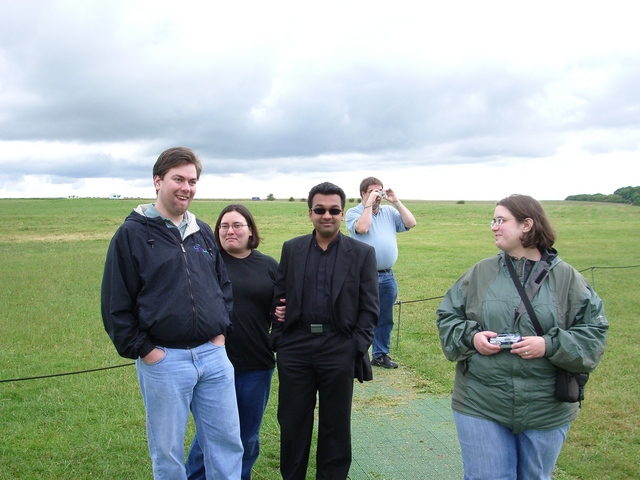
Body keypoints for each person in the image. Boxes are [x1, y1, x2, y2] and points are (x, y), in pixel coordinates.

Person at [436, 194, 609, 480]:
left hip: (546, 407)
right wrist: (472, 338)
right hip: (481, 401)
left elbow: (594, 335)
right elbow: (447, 318)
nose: (493, 226)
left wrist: (549, 345)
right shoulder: (480, 273)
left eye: (501, 220)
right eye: (493, 220)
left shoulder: (568, 279)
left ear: (527, 225)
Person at [101, 147, 243, 479]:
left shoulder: (202, 230)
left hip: (213, 357)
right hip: (164, 361)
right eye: (178, 179)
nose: (186, 188)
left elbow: (222, 285)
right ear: (157, 180)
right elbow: (115, 303)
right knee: (167, 452)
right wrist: (146, 352)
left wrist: (221, 333)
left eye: (192, 181)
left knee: (227, 444)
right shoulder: (132, 234)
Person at [270, 181, 379, 480]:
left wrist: (355, 346)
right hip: (295, 346)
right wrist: (279, 335)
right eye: (320, 210)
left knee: (335, 425)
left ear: (343, 214)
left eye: (333, 210)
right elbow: (279, 294)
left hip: (339, 346)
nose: (326, 215)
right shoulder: (292, 249)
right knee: (292, 422)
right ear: (310, 214)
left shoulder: (361, 254)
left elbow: (370, 308)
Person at [185, 204, 278, 480]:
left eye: (237, 225)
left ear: (251, 231)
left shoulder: (269, 266)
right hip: (209, 364)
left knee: (247, 435)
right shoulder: (205, 262)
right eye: (224, 226)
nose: (230, 231)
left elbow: (284, 306)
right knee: (209, 435)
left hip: (255, 365)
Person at [346, 176, 416, 369]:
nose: (378, 195)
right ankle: (355, 354)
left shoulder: (389, 212)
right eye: (372, 192)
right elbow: (362, 228)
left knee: (385, 317)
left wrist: (396, 202)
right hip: (361, 276)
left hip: (387, 275)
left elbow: (411, 223)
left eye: (380, 191)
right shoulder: (354, 213)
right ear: (363, 194)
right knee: (357, 315)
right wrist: (369, 205)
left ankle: (380, 355)